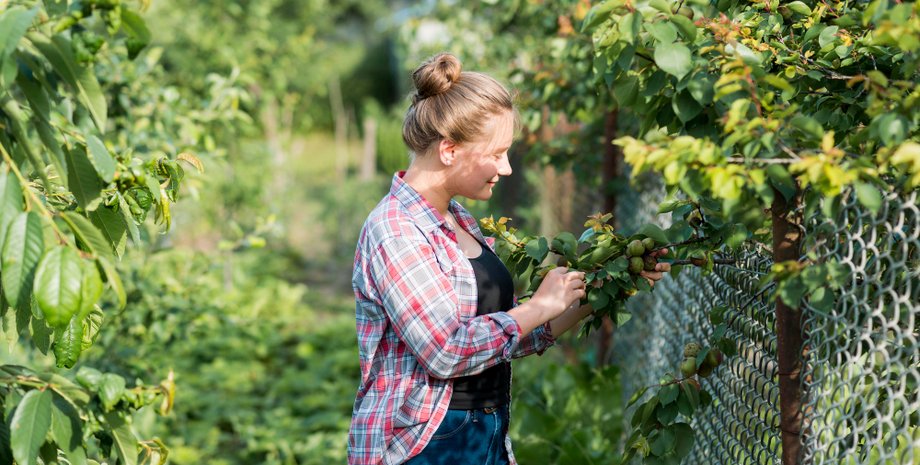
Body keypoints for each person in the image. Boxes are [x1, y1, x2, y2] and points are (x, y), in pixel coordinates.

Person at [348, 53, 670, 465]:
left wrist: (609, 286)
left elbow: (503, 335)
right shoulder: (395, 230)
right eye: (497, 153)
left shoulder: (458, 218)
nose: (508, 168)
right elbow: (446, 351)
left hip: (485, 430)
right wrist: (537, 307)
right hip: (425, 443)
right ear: (449, 149)